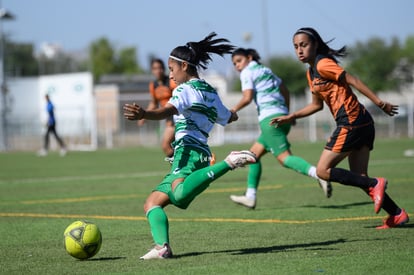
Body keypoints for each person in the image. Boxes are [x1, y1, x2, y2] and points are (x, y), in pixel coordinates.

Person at [123, 32, 257, 260]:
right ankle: (162, 247)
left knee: (181, 195)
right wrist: (234, 113)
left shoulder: (184, 90)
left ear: (184, 65)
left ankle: (229, 162)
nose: (170, 74)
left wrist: (145, 113)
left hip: (189, 151)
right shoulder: (210, 92)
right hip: (196, 152)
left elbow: (168, 110)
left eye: (172, 68)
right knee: (152, 203)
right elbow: (227, 117)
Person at [272, 27, 409, 229]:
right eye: (296, 47)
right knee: (360, 178)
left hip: (352, 121)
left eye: (304, 45)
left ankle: (375, 184)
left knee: (323, 171)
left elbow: (352, 80)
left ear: (315, 44)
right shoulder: (312, 73)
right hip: (362, 122)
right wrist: (291, 116)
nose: (299, 50)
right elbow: (316, 105)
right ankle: (397, 214)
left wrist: (380, 103)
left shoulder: (324, 63)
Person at [229, 48, 332, 209]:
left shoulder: (247, 72)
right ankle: (250, 196)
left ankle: (319, 174)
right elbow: (285, 89)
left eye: (239, 61)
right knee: (252, 156)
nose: (237, 66)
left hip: (269, 120)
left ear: (249, 58)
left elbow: (247, 97)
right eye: (234, 63)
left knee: (284, 158)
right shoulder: (266, 70)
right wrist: (288, 114)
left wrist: (233, 110)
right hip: (282, 116)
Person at [138, 58, 176, 162]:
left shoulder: (171, 82)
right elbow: (154, 103)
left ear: (164, 69)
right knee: (176, 146)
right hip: (167, 117)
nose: (158, 70)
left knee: (165, 145)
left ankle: (178, 171)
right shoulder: (153, 85)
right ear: (152, 70)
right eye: (155, 68)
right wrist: (143, 116)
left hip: (176, 115)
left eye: (160, 68)